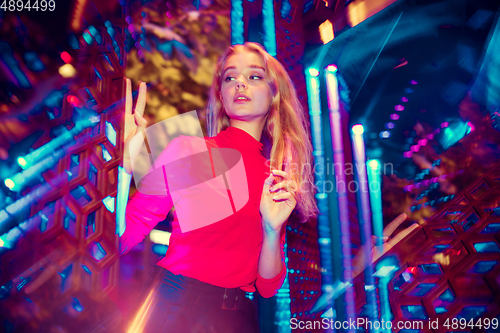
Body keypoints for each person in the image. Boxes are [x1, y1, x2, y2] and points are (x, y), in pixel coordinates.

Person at [120, 42, 318, 332]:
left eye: (254, 76)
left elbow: (266, 286)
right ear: (222, 95)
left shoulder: (275, 179)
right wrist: (123, 167)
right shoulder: (189, 150)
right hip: (169, 306)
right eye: (230, 77)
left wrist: (272, 230)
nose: (239, 83)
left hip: (234, 318)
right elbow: (123, 235)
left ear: (274, 94)